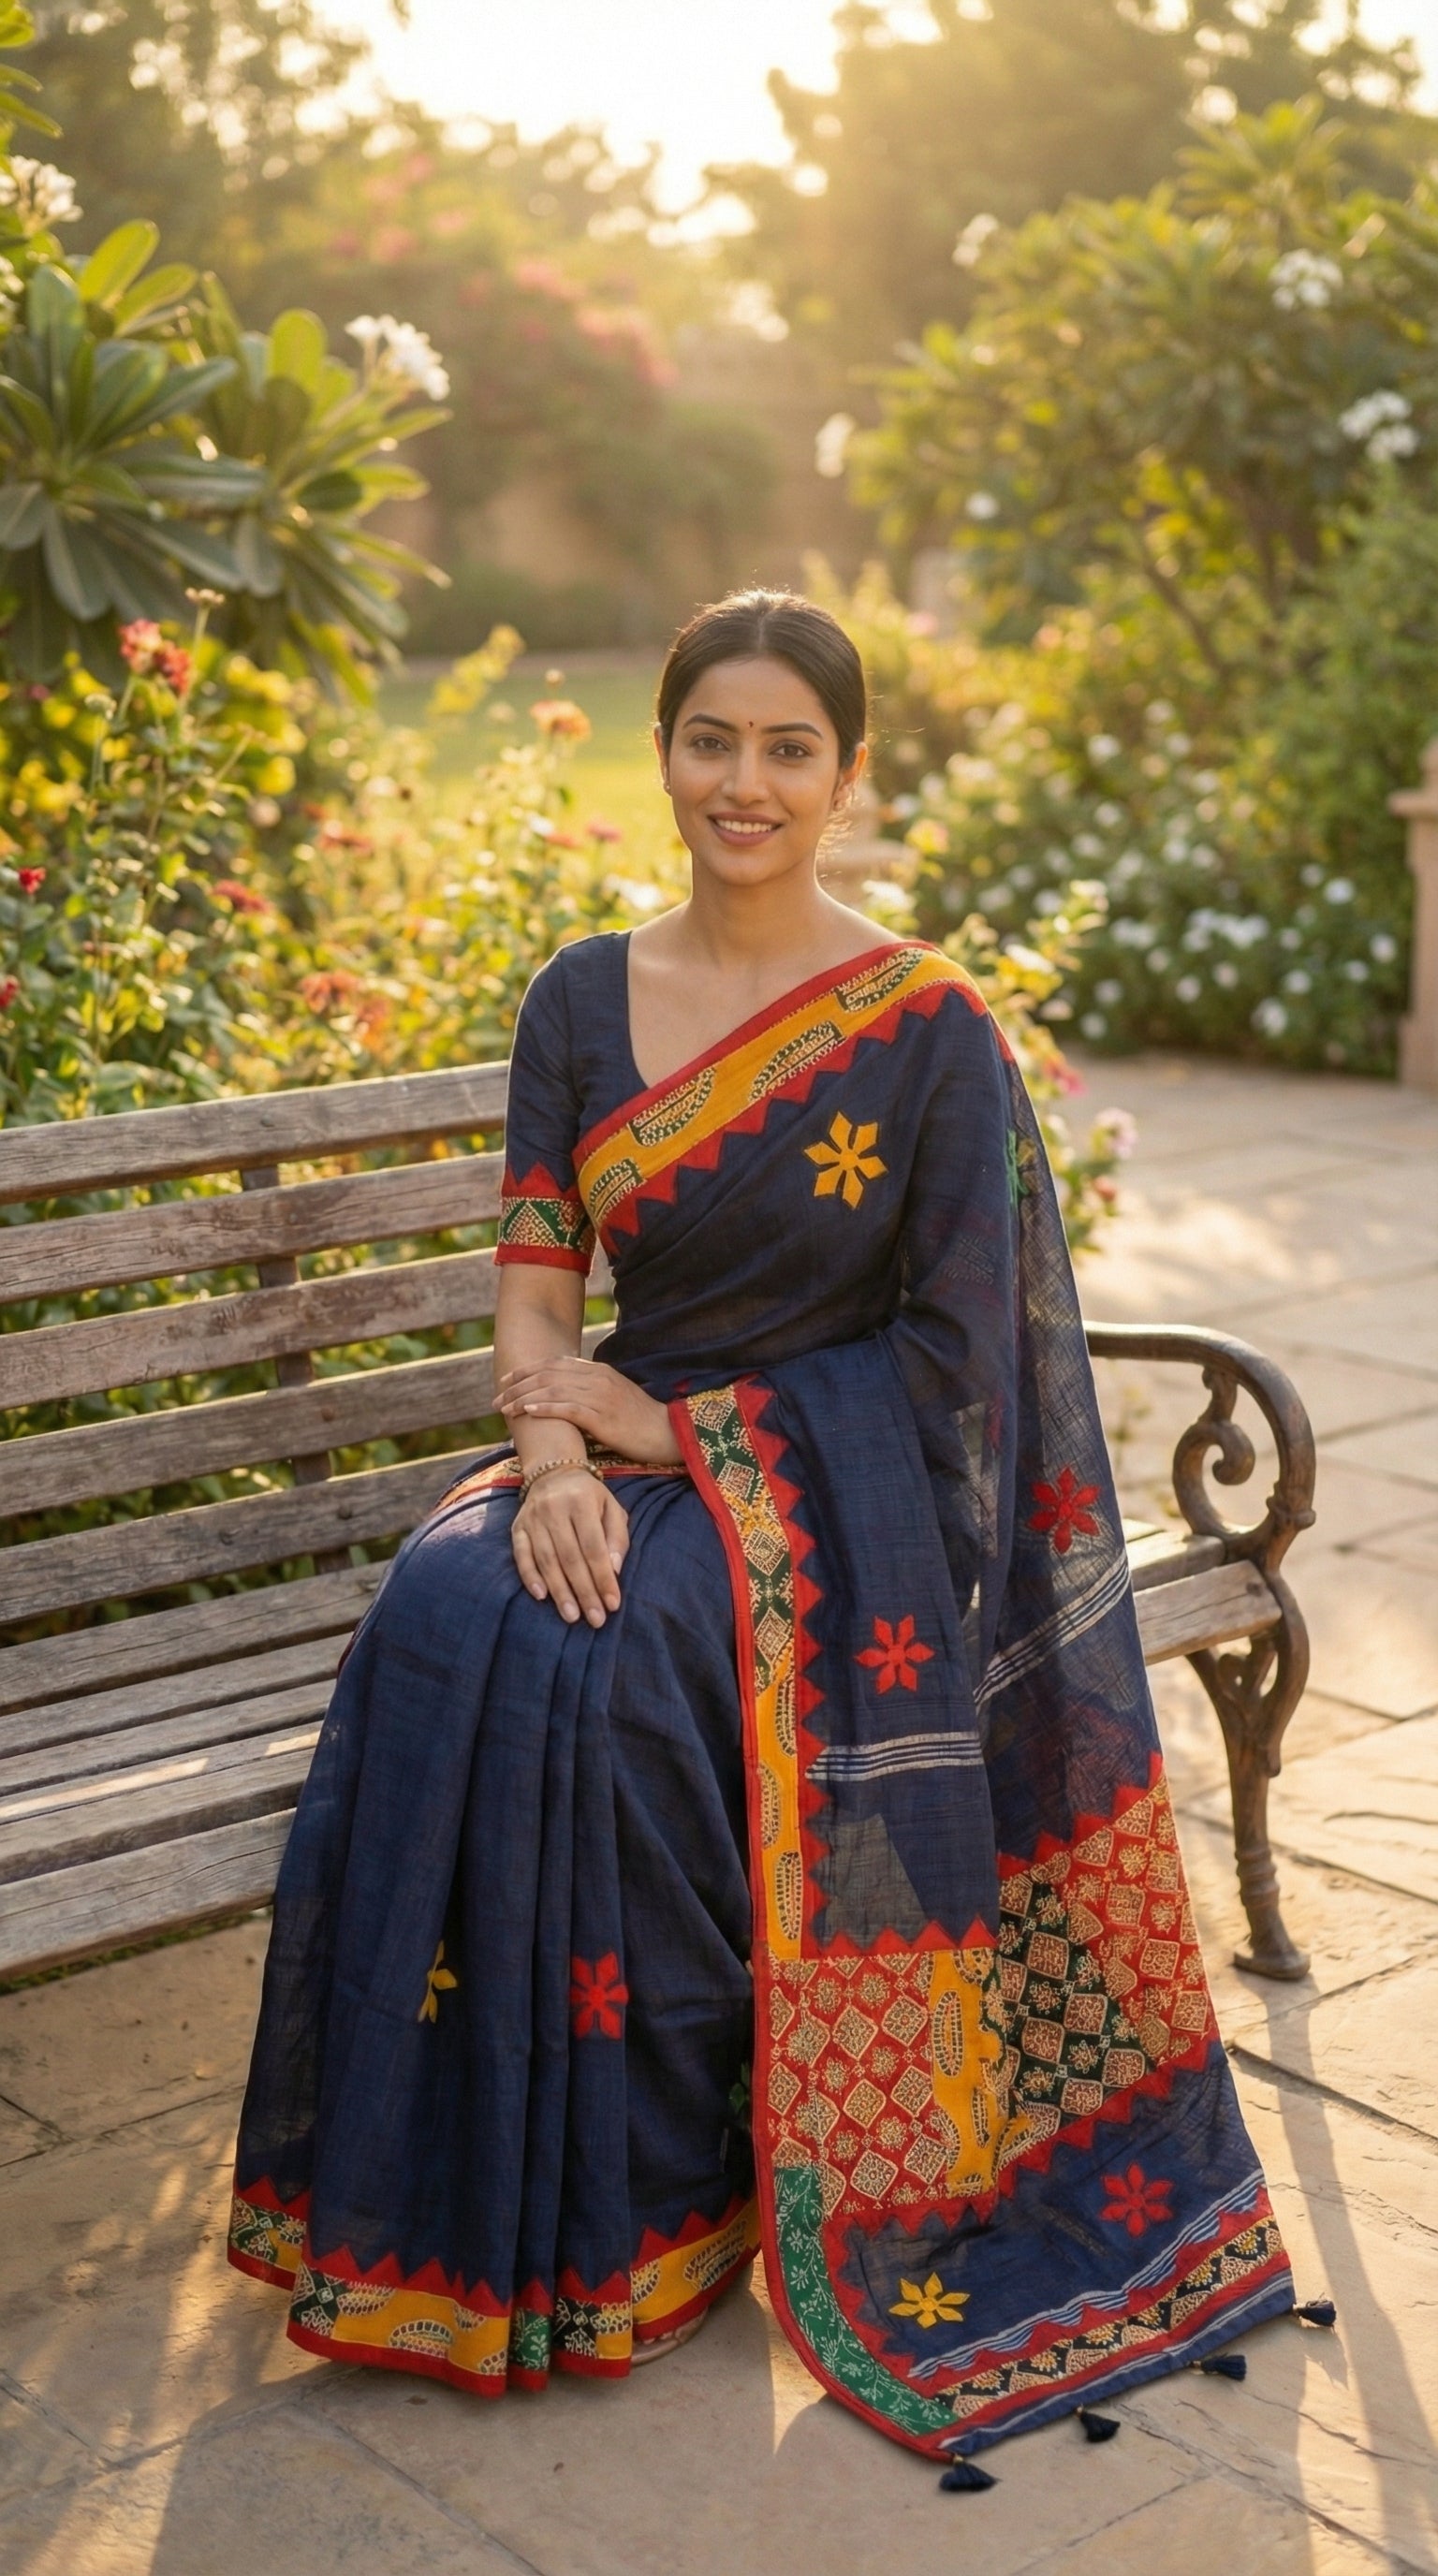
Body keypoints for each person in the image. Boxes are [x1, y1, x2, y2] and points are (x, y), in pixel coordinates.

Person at [228, 590, 1294, 2469]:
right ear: (662, 754)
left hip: (837, 1494)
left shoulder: (925, 1029)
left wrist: (688, 1429)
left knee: (613, 1662)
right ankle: (465, 2213)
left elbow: (961, 1363)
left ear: (848, 773)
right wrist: (559, 1457)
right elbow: (535, 1283)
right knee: (446, 1608)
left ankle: (666, 2192)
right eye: (711, 738)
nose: (746, 779)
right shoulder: (578, 996)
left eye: (789, 746)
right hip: (614, 1452)